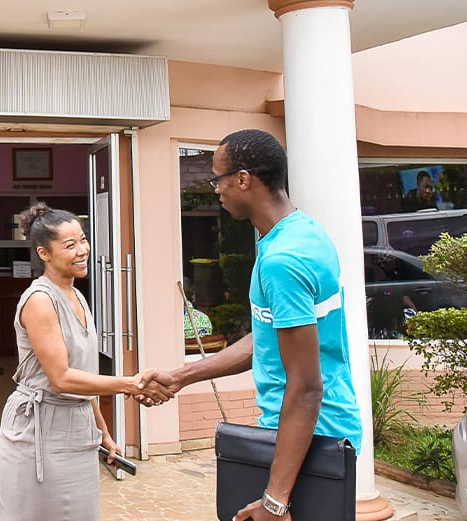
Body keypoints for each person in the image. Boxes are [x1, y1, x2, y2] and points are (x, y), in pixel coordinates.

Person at [140, 130, 363, 521]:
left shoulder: (284, 260)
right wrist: (181, 376)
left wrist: (276, 501)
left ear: (243, 179)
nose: (216, 191)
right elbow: (269, 338)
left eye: (217, 179)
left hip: (311, 443)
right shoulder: (298, 233)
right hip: (297, 437)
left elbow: (307, 387)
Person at [0, 202, 169, 521]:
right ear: (44, 253)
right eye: (70, 244)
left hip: (78, 431)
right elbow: (62, 379)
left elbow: (84, 377)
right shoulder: (40, 301)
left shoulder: (78, 296)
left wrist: (102, 432)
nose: (82, 250)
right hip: (38, 431)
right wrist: (129, 383)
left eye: (84, 240)